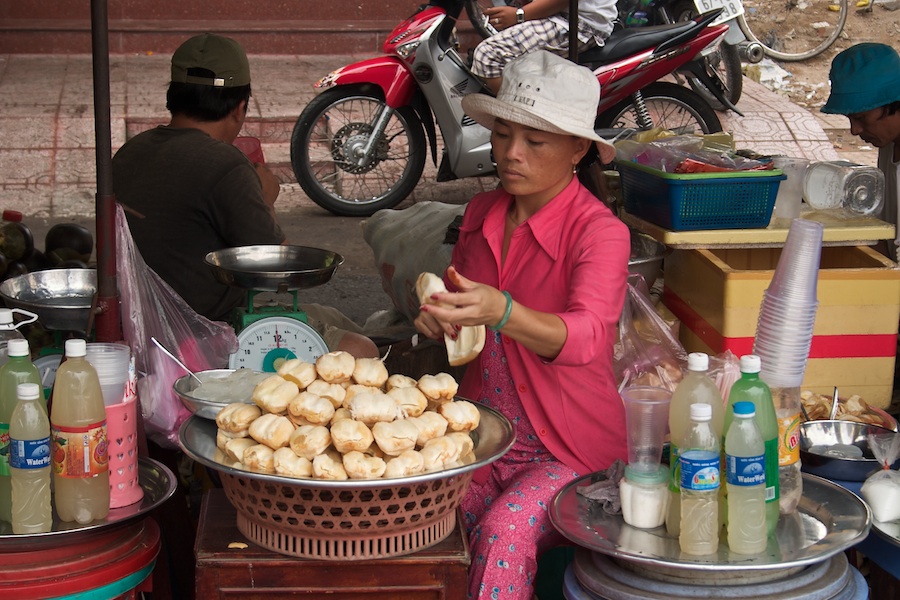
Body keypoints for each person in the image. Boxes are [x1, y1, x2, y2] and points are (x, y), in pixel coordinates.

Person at [414, 51, 629, 599]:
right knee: (420, 518)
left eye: (535, 143)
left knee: (505, 530)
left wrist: (502, 311)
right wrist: (440, 320)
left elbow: (587, 338)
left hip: (568, 449)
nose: (511, 154)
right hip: (484, 433)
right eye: (505, 135)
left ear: (578, 149)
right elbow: (463, 314)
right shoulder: (482, 214)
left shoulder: (599, 233)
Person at [112, 33, 377, 358]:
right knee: (363, 350)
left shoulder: (128, 153)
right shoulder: (225, 165)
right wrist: (266, 199)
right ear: (239, 108)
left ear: (174, 96)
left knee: (332, 317)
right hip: (205, 330)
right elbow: (278, 273)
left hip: (139, 321)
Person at [822, 43, 900, 262]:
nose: (855, 130)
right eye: (850, 119)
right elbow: (884, 238)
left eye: (862, 118)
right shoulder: (889, 145)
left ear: (894, 105)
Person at [472, 0, 616, 94]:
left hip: (578, 22)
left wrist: (519, 15)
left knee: (489, 54)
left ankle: (524, 125)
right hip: (559, 13)